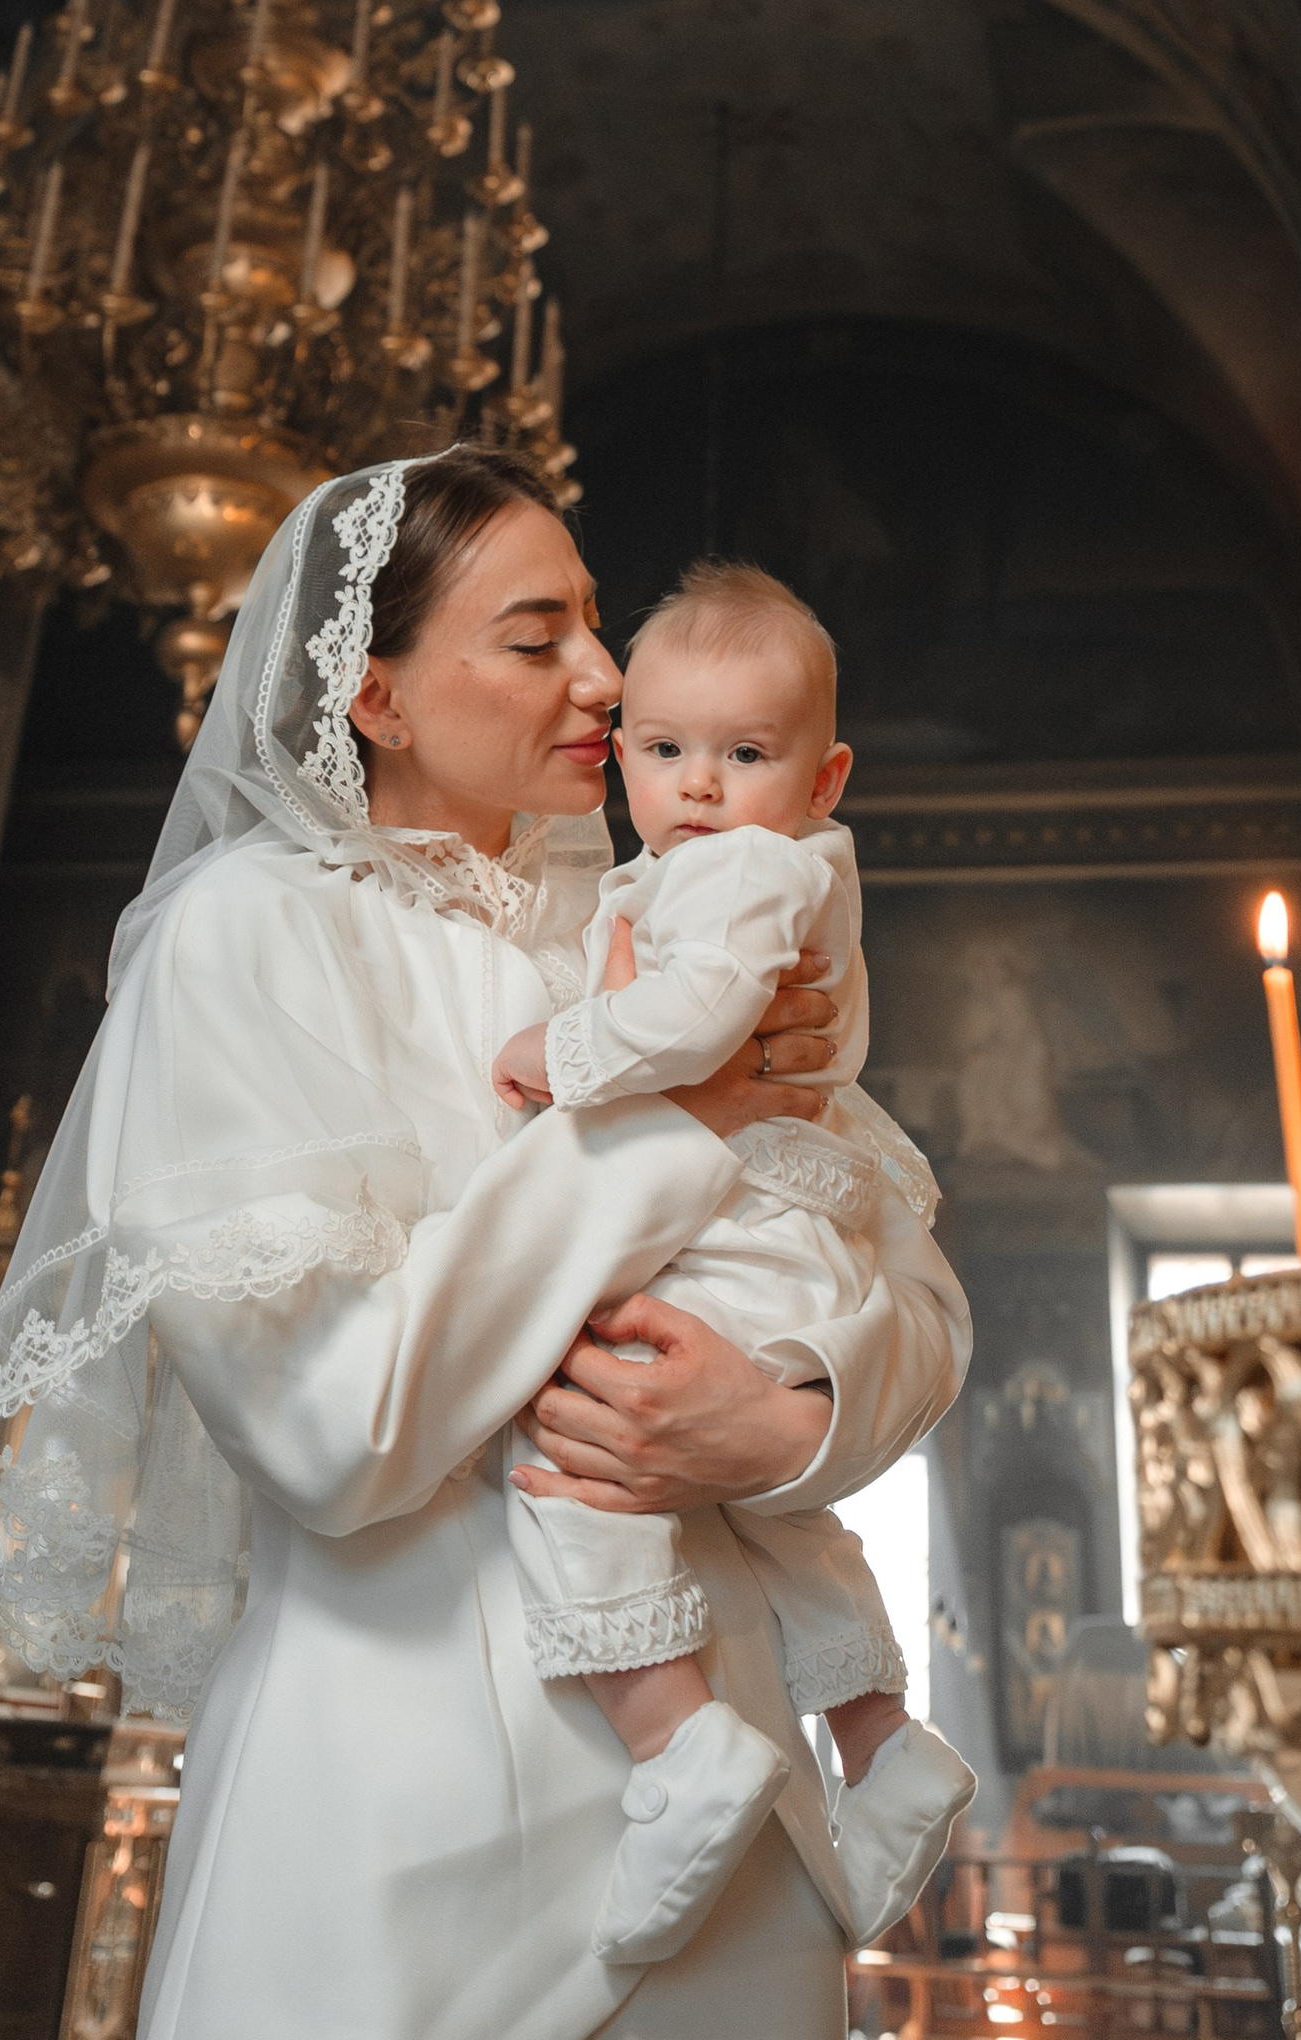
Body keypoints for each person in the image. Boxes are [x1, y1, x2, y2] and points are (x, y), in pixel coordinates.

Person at [0, 451, 970, 2040]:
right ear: (380, 696)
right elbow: (334, 1430)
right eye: (538, 635)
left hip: (734, 1851)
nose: (609, 679)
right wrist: (673, 1122)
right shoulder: (248, 940)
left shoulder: (663, 917)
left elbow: (896, 1283)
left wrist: (789, 1418)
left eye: (599, 629)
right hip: (398, 1843)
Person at [490, 557, 976, 1962]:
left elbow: (697, 1025)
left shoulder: (746, 871)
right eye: (664, 748)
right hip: (772, 1235)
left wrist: (558, 1052)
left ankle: (676, 1740)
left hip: (747, 1233)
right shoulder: (711, 865)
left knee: (576, 1461)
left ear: (822, 780)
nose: (698, 784)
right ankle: (884, 1742)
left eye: (743, 755)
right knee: (781, 1524)